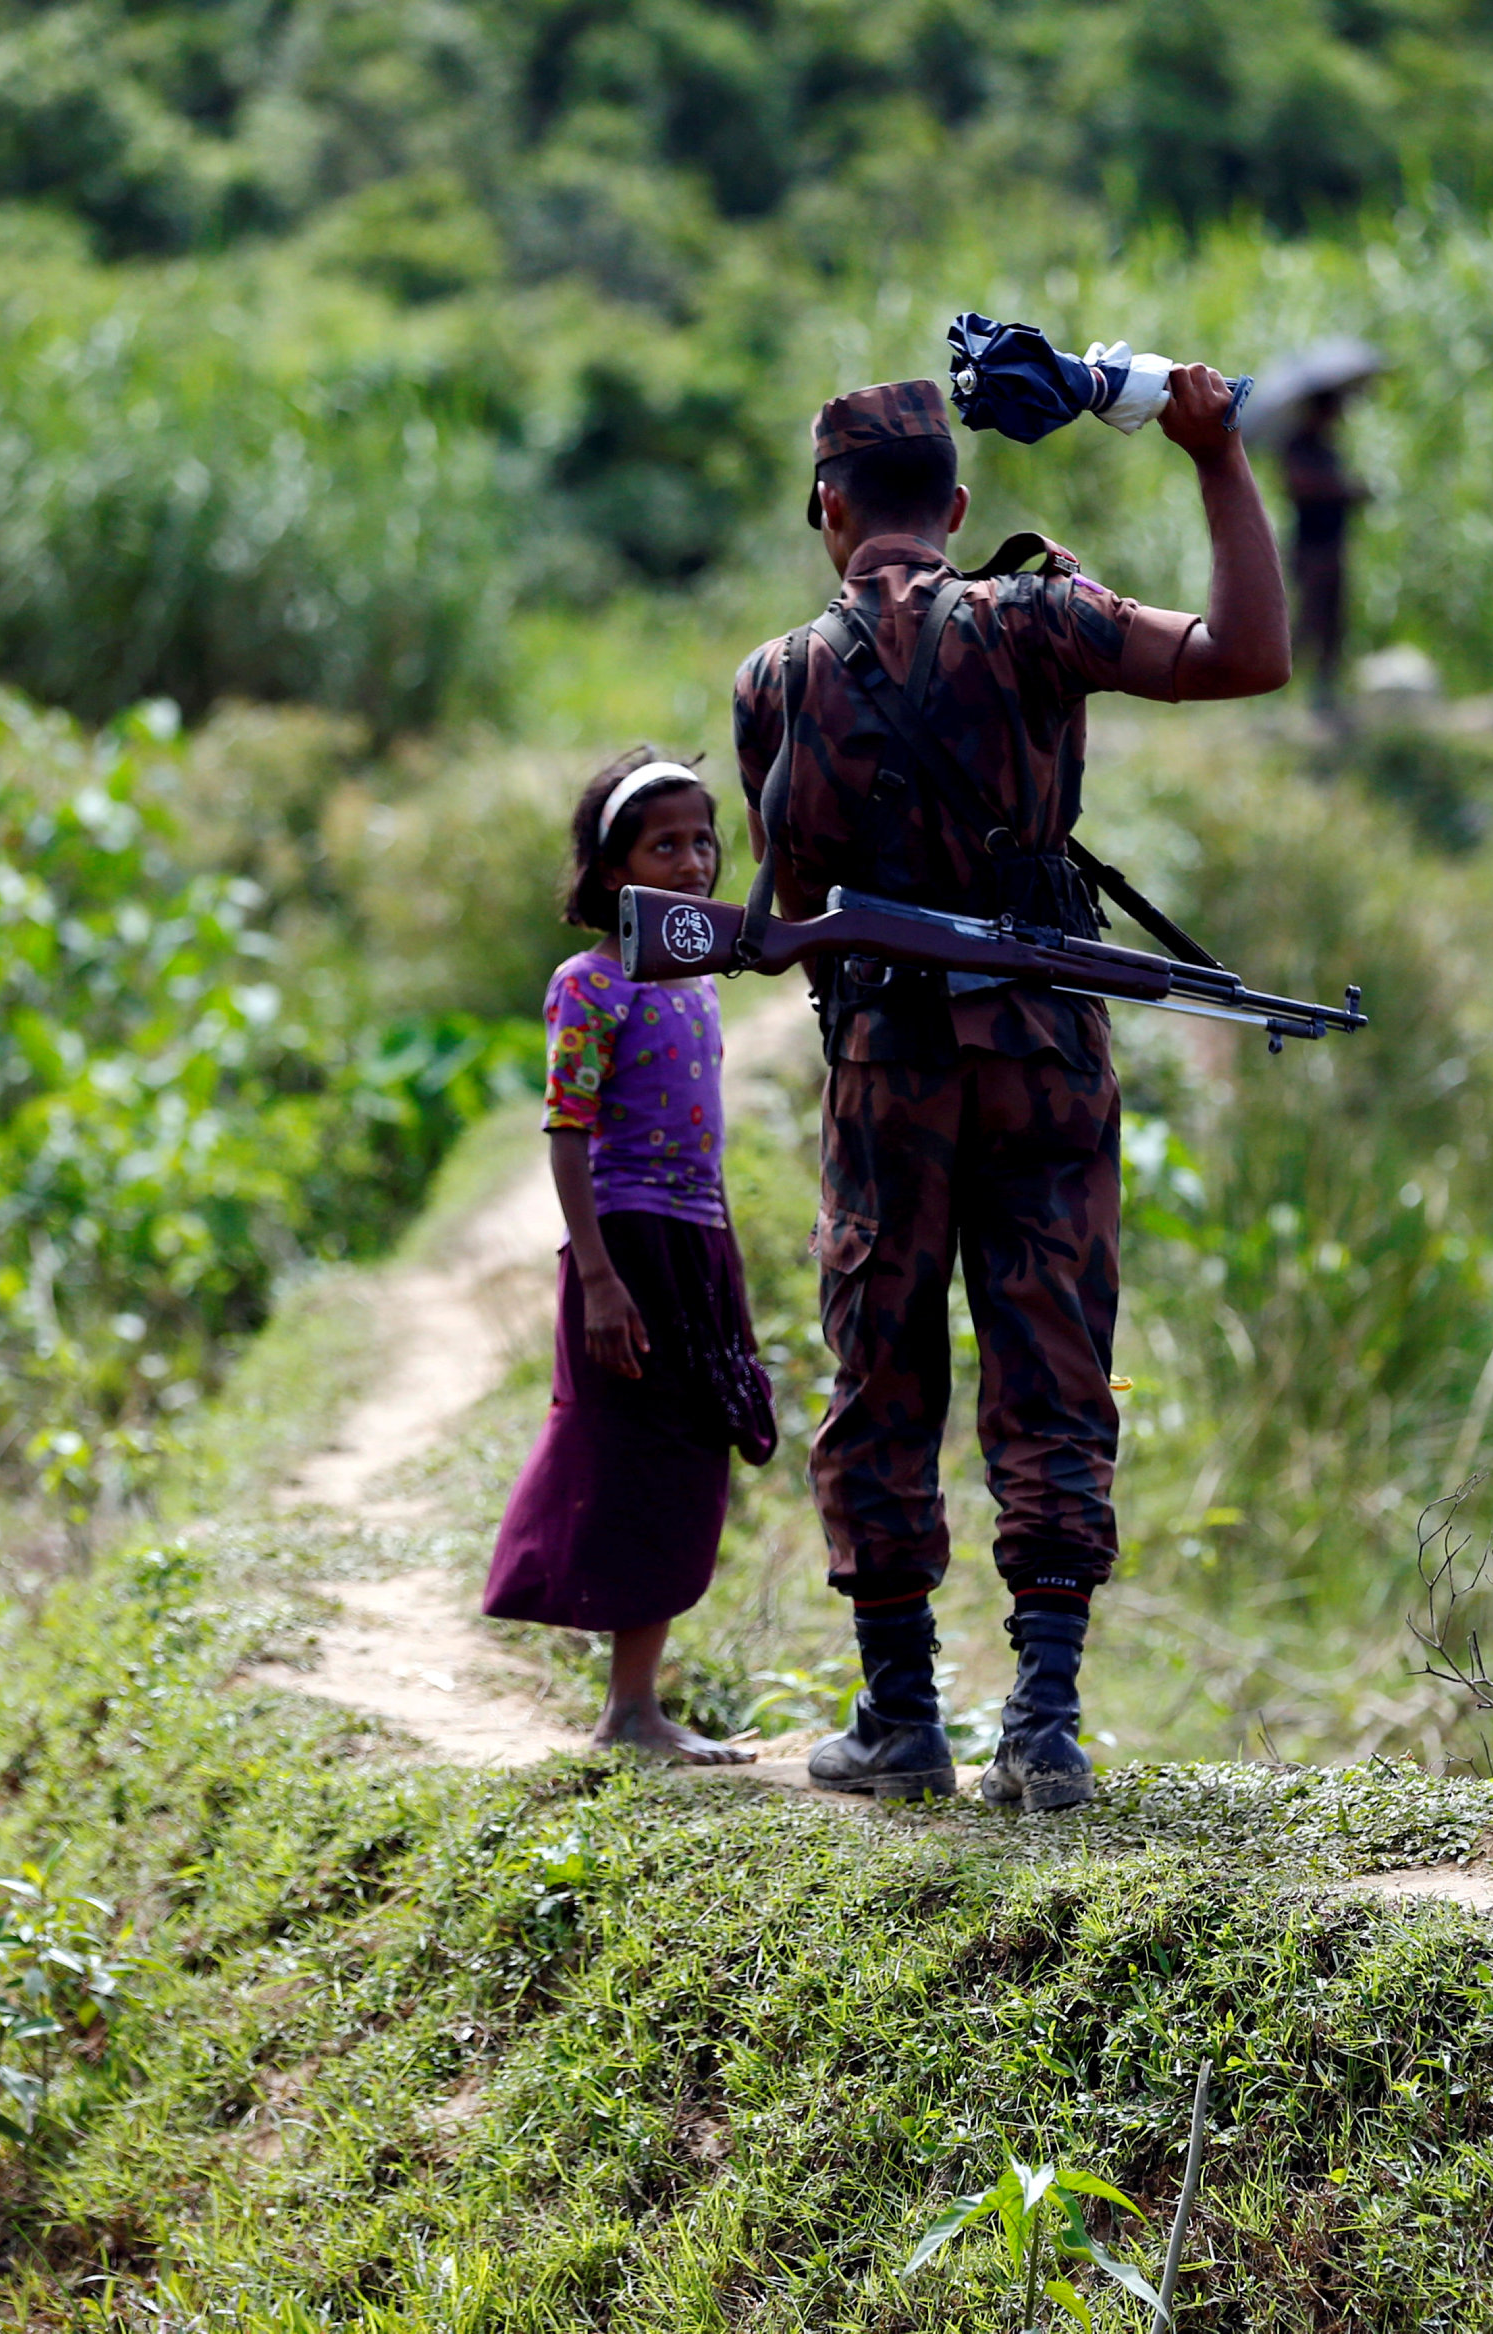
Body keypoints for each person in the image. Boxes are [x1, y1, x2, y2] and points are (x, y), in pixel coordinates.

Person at [731, 369, 1287, 1811]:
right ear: (960, 505)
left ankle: (901, 1714)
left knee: (881, 1367)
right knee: (1053, 1366)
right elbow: (1248, 653)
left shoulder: (775, 677)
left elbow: (788, 890)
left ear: (830, 509)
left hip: (883, 1070)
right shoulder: (1036, 616)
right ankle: (1042, 1718)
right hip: (1046, 1054)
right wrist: (1214, 456)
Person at [482, 750, 780, 1764]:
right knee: (630, 1453)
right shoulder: (587, 986)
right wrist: (600, 1278)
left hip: (697, 1240)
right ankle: (629, 1709)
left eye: (703, 841)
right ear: (614, 871)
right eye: (665, 845)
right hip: (626, 1244)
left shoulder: (694, 981)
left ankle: (634, 1709)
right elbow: (567, 1132)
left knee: (689, 1454)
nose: (693, 862)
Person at [1278, 388, 1369, 718]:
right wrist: (1342, 489)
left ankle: (1324, 692)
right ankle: (1277, 687)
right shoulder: (1298, 444)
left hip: (1332, 543)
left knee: (1334, 622)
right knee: (1308, 618)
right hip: (1310, 545)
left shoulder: (1327, 448)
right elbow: (1298, 484)